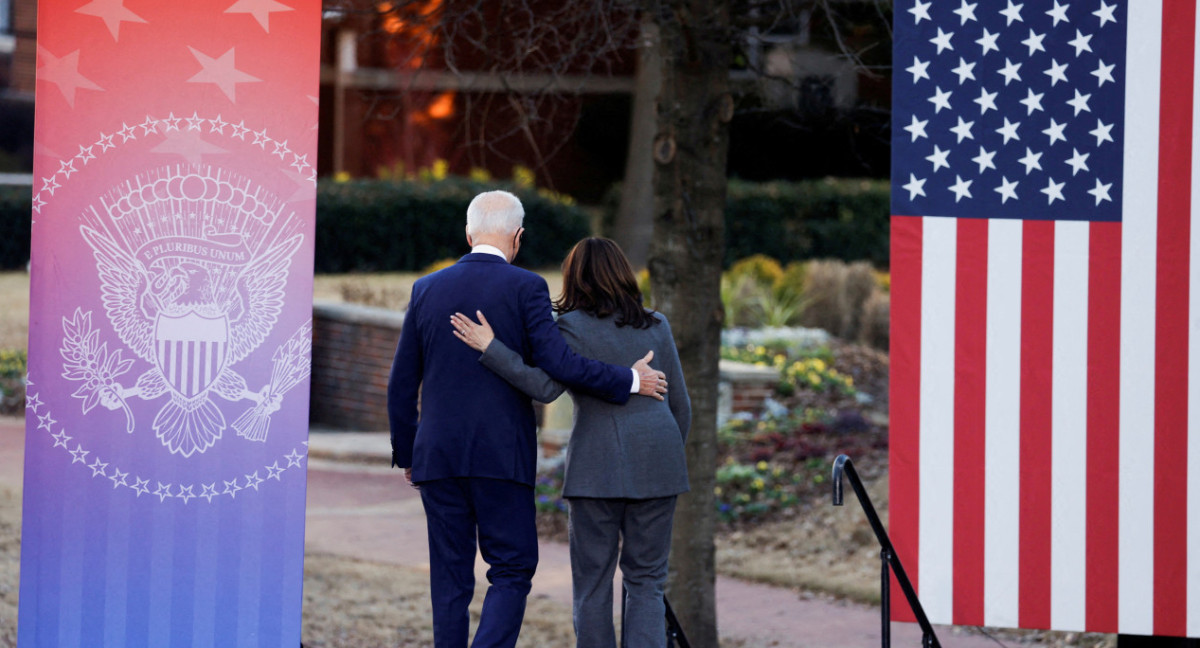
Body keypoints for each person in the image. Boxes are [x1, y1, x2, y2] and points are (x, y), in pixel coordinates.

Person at [387, 191, 668, 648]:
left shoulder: (425, 289)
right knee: (513, 569)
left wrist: (408, 452)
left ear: (468, 232)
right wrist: (630, 381)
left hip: (436, 455)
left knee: (449, 577)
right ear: (518, 237)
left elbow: (401, 384)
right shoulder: (526, 287)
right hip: (502, 456)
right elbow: (560, 364)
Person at [450, 237, 690, 648]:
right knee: (647, 580)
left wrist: (492, 349)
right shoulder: (657, 325)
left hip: (596, 471)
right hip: (659, 462)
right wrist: (660, 455)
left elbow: (544, 387)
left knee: (593, 583)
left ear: (574, 279)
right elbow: (681, 406)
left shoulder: (570, 328)